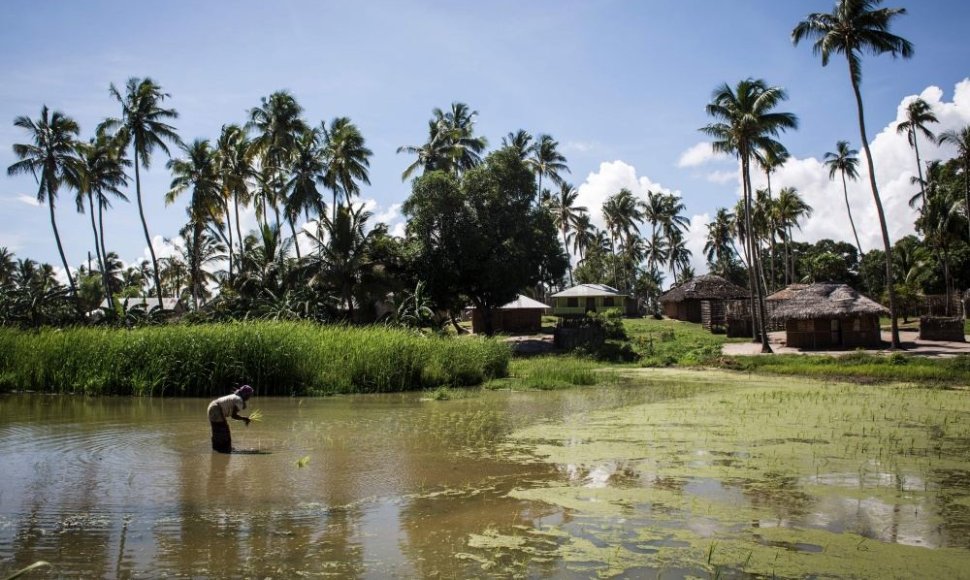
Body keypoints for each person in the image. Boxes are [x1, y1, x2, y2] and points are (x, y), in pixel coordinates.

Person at [207, 385, 253, 453]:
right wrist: (245, 418)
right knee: (223, 430)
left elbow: (232, 410)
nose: (249, 397)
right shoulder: (239, 400)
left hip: (212, 406)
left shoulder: (236, 397)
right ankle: (224, 450)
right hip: (216, 409)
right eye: (249, 395)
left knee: (218, 430)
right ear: (246, 395)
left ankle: (218, 449)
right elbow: (233, 416)